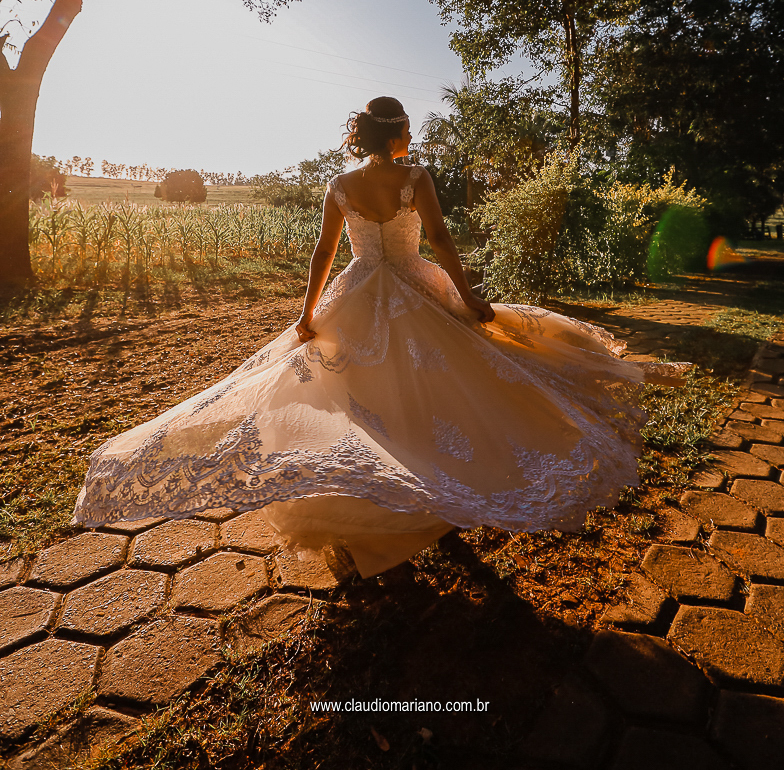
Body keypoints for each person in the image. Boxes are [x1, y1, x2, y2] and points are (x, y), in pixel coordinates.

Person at [74, 96, 669, 578]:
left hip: (357, 294)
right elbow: (439, 239)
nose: (410, 137)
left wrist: (308, 312)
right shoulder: (416, 177)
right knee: (439, 388)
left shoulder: (340, 184)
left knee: (359, 400)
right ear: (399, 132)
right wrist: (467, 298)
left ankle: (382, 507)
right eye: (408, 129)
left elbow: (324, 252)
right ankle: (428, 493)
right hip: (415, 288)